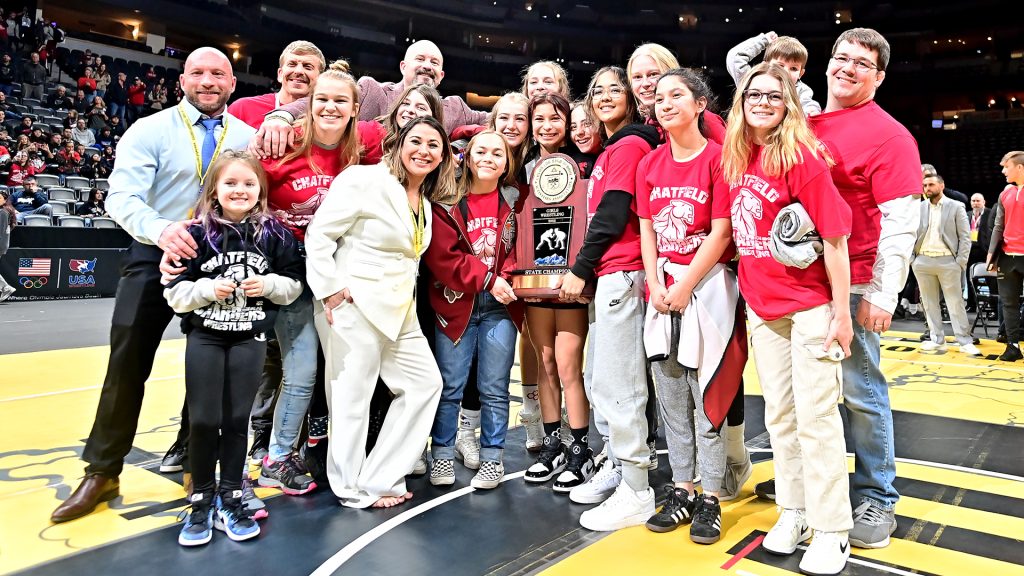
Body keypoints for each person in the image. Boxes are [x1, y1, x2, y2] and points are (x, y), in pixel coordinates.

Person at [49, 47, 255, 524]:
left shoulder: (247, 137)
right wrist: (163, 231)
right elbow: (121, 197)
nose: (208, 81)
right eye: (199, 73)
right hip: (153, 250)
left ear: (231, 84)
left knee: (211, 364)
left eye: (218, 74)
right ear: (183, 79)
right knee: (127, 362)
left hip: (219, 258)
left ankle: (196, 464)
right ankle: (103, 469)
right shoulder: (150, 129)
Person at [723, 61, 854, 575]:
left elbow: (836, 238)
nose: (762, 102)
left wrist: (842, 314)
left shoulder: (801, 156)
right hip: (763, 306)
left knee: (817, 419)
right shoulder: (736, 157)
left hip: (811, 307)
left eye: (774, 97)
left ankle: (831, 529)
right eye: (754, 94)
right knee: (779, 416)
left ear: (790, 104)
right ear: (742, 100)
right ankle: (794, 511)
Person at [800, 28, 922, 549]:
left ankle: (878, 494)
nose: (847, 68)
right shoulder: (803, 122)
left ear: (879, 77)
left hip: (853, 281)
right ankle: (813, 485)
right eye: (841, 57)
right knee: (809, 394)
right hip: (801, 280)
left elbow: (901, 222)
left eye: (862, 63)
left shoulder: (889, 135)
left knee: (861, 392)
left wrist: (882, 293)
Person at [305, 116, 451, 509]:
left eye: (433, 145)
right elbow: (319, 234)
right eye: (416, 141)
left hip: (400, 311)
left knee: (425, 385)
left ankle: (380, 476)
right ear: (399, 144)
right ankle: (350, 487)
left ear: (442, 156)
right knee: (352, 400)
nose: (424, 150)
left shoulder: (425, 200)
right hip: (354, 304)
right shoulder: (362, 179)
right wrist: (330, 290)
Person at [164, 150, 303, 546]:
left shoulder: (274, 235)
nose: (239, 190)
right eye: (230, 183)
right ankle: (201, 499)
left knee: (237, 419)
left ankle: (231, 496)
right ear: (214, 190)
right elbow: (174, 294)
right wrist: (208, 290)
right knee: (204, 419)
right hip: (205, 337)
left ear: (261, 189)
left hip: (249, 337)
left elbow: (293, 284)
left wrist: (271, 286)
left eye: (248, 183)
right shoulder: (194, 234)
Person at [638, 68, 746, 544]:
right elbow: (646, 230)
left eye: (676, 95)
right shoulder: (650, 163)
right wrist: (654, 282)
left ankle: (711, 496)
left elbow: (722, 231)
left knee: (707, 396)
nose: (665, 103)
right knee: (671, 395)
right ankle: (681, 487)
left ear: (700, 103)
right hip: (662, 287)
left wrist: (686, 285)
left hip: (708, 288)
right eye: (659, 97)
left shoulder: (720, 159)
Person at [255, 60, 373, 495]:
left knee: (337, 371)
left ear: (354, 109)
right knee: (300, 369)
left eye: (340, 101)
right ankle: (277, 455)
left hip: (341, 274)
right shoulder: (278, 145)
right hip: (290, 274)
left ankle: (314, 448)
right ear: (309, 104)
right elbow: (236, 194)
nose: (329, 107)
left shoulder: (366, 144)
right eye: (321, 99)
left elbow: (413, 129)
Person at [558, 66, 661, 531]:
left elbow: (614, 214)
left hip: (623, 273)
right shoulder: (609, 150)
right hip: (612, 275)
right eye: (595, 90)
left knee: (620, 386)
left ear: (630, 98)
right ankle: (620, 466)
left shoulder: (630, 145)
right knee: (605, 381)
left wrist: (579, 270)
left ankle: (636, 487)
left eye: (613, 89)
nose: (602, 97)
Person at [423, 130, 521, 489]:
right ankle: (443, 455)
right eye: (481, 151)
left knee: (494, 388)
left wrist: (506, 277)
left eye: (498, 153)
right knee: (450, 386)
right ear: (468, 155)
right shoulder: (445, 201)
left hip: (501, 306)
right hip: (455, 305)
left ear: (507, 162)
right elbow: (442, 258)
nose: (488, 158)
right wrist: (488, 278)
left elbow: (520, 249)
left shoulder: (515, 200)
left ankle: (493, 459)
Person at [519, 93, 595, 493]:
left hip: (570, 281)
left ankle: (580, 448)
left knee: (568, 366)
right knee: (545, 362)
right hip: (534, 279)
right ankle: (554, 443)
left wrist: (583, 274)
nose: (547, 126)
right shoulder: (524, 167)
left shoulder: (584, 164)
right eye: (540, 119)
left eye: (555, 119)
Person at [257, 40, 488, 155]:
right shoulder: (371, 90)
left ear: (441, 75)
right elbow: (326, 100)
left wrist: (459, 144)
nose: (427, 66)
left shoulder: (455, 107)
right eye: (420, 59)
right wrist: (282, 116)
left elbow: (496, 121)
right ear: (403, 66)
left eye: (434, 63)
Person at [912, 173, 977, 355]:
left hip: (948, 261)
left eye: (931, 184)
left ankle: (964, 341)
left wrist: (960, 263)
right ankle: (937, 340)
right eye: (924, 185)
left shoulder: (956, 206)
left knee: (955, 303)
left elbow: (965, 237)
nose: (927, 188)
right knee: (929, 303)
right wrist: (913, 260)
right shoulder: (920, 208)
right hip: (922, 260)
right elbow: (911, 234)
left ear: (941, 185)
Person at [228, 40, 326, 128]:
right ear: (280, 74)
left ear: (321, 79)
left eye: (307, 67)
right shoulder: (242, 109)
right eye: (292, 64)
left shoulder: (326, 118)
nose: (299, 71)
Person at [726, 32, 821, 116]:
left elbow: (808, 105)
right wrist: (763, 41)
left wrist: (811, 111)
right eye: (780, 65)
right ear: (766, 65)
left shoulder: (801, 90)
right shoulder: (754, 81)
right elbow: (735, 58)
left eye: (793, 68)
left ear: (801, 74)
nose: (785, 72)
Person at [988, 150, 1024, 361]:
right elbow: (998, 226)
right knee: (1008, 303)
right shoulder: (1005, 193)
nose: (1003, 171)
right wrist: (991, 256)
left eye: (1006, 167)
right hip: (1007, 257)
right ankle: (1012, 346)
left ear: (1019, 167)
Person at [0, 187, 14, 301]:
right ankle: (5, 287)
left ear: (5, 200)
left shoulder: (3, 212)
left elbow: (1, 230)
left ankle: (6, 287)